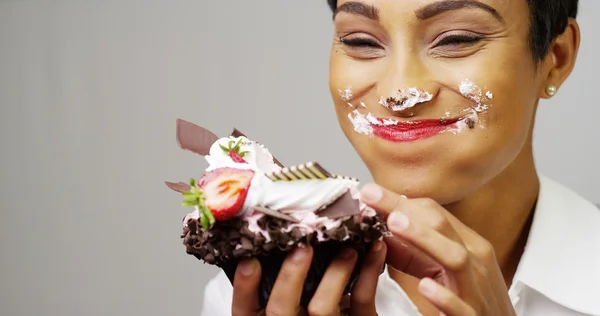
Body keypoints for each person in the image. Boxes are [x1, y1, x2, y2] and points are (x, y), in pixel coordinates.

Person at [200, 0, 600, 315]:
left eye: (456, 39)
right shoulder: (256, 297)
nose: (400, 91)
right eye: (361, 42)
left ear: (556, 57)